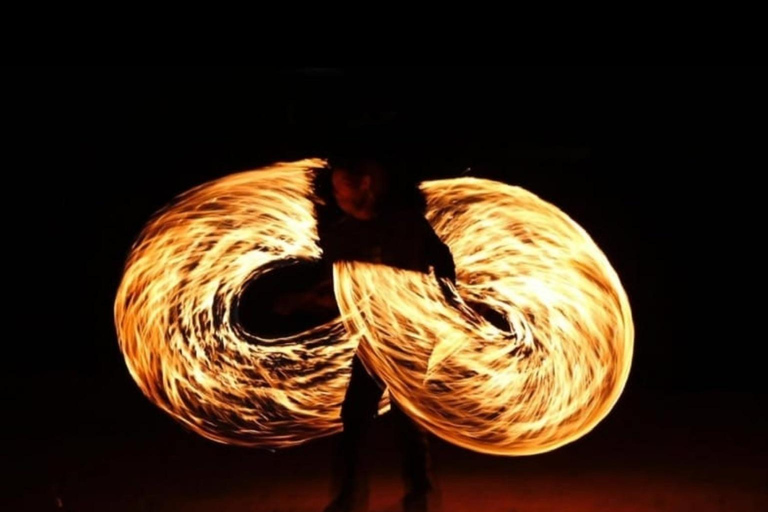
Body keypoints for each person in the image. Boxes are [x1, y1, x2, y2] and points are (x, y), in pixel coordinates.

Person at [316, 155, 455, 512]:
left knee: (406, 415)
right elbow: (339, 287)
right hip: (372, 338)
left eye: (342, 185)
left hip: (408, 336)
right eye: (334, 188)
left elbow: (443, 260)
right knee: (355, 415)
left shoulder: (407, 225)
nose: (337, 194)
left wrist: (445, 303)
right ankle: (349, 496)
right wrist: (305, 300)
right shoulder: (343, 233)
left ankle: (418, 493)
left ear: (366, 185)